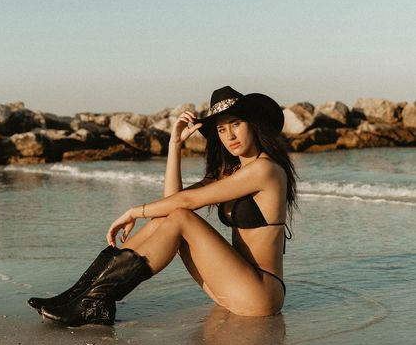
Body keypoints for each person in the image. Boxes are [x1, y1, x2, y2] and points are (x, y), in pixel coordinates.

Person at [28, 86, 297, 327]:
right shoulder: (232, 171)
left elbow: (186, 204)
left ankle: (92, 303)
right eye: (221, 129)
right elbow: (172, 202)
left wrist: (134, 211)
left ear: (253, 124)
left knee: (180, 217)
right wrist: (174, 146)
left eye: (236, 124)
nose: (229, 135)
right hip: (233, 287)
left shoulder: (265, 169)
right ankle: (80, 295)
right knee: (168, 219)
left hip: (260, 294)